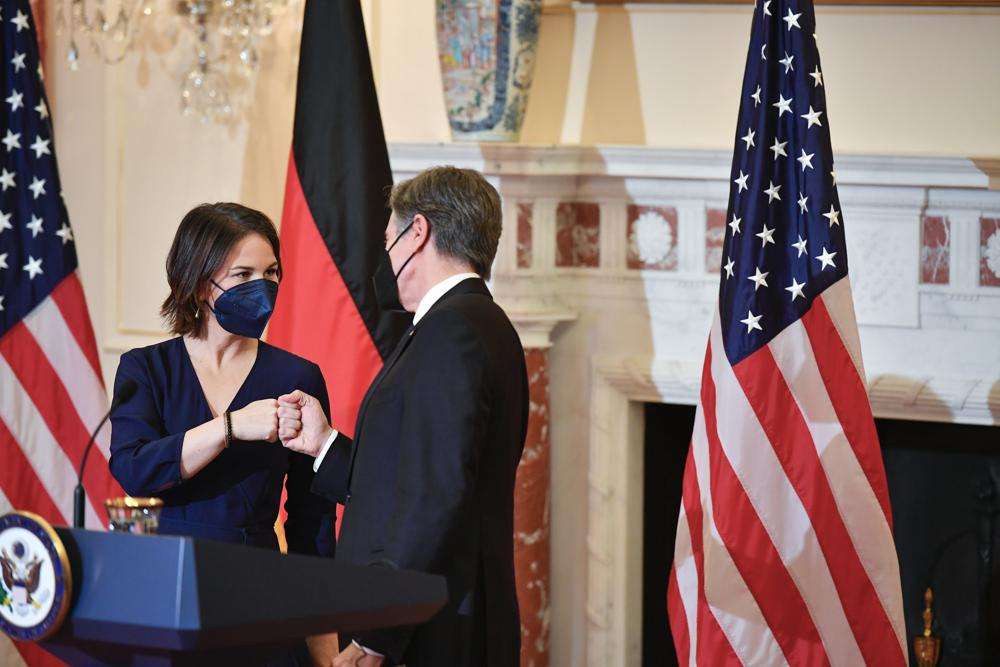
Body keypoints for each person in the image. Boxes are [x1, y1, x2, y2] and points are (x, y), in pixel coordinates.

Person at [278, 166, 529, 667]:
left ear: (418, 233)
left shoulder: (452, 333)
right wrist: (324, 444)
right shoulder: (472, 324)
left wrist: (376, 637)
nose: (385, 257)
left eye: (389, 238)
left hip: (433, 633)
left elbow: (435, 497)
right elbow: (411, 474)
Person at [109, 202, 335, 558]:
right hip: (160, 566)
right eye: (243, 275)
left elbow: (312, 510)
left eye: (271, 272)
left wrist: (314, 595)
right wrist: (230, 427)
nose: (262, 288)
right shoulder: (147, 368)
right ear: (200, 285)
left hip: (254, 577)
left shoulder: (297, 376)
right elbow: (135, 472)